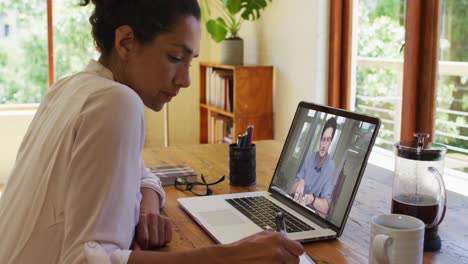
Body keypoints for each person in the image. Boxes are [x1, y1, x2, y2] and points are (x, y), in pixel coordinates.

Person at [0, 1, 304, 263]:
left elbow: (141, 172)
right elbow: (85, 260)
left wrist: (147, 206)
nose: (185, 80)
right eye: (174, 58)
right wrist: (233, 256)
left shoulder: (69, 87)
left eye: (190, 61)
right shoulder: (117, 102)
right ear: (126, 42)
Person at [289, 117, 337, 218]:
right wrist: (301, 181)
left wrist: (313, 199)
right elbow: (291, 190)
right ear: (320, 139)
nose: (323, 145)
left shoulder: (330, 167)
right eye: (323, 139)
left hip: (309, 216)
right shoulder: (311, 157)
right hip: (296, 209)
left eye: (327, 140)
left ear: (331, 141)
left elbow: (325, 209)